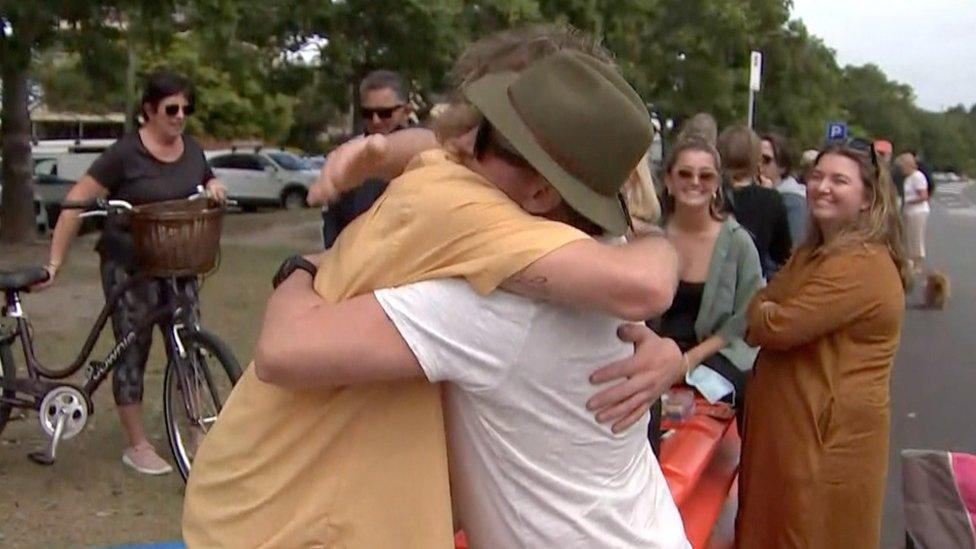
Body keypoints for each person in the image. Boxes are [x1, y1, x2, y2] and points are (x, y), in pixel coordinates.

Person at [184, 29, 682, 548]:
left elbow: (284, 350)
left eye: (482, 137)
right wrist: (377, 152)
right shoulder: (596, 243)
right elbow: (437, 152)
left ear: (538, 192)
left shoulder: (491, 306)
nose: (461, 144)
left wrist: (303, 268)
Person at [37, 70, 227, 475]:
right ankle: (137, 445)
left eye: (186, 109)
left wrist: (214, 184)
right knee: (132, 347)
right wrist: (55, 262)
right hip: (129, 264)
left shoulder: (191, 149)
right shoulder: (124, 154)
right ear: (148, 110)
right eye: (171, 109)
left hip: (179, 261)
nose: (180, 116)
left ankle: (196, 429)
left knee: (188, 344)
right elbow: (75, 200)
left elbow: (205, 176)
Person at [737, 140, 909, 547]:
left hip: (826, 440)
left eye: (839, 180)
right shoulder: (814, 253)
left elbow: (773, 324)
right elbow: (762, 303)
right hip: (795, 435)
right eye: (817, 176)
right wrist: (762, 310)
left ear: (867, 199)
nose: (822, 187)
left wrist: (762, 312)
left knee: (813, 531)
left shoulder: (861, 263)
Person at [656, 137, 763, 427]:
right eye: (684, 174)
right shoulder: (651, 238)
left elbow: (745, 318)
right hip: (654, 356)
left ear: (717, 183)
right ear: (668, 179)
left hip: (717, 356)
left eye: (705, 175)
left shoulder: (739, 243)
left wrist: (687, 361)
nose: (695, 182)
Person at [321, 70, 414, 248]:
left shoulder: (430, 155)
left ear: (406, 111)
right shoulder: (348, 158)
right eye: (367, 113)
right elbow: (333, 220)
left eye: (385, 113)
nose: (376, 121)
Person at [718, 125, 792, 279]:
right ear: (756, 159)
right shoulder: (771, 200)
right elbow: (782, 254)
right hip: (751, 282)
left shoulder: (711, 195)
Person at [761, 132, 807, 244]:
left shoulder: (793, 201)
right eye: (754, 159)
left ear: (782, 167)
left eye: (765, 160)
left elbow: (794, 248)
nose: (758, 165)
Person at [896, 151, 931, 274]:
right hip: (908, 211)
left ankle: (918, 264)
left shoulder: (918, 176)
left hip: (918, 212)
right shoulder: (909, 178)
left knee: (916, 237)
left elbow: (924, 196)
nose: (900, 170)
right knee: (907, 237)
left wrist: (907, 201)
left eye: (902, 167)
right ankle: (909, 262)